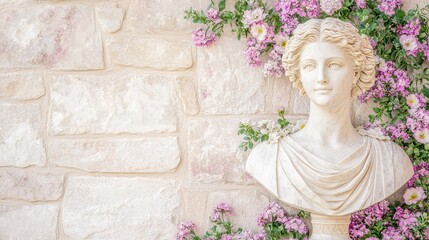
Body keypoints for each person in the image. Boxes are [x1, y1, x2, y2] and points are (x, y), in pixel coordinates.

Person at [245, 18, 414, 238]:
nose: (321, 78)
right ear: (299, 74)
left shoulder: (389, 159)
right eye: (310, 66)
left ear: (355, 73)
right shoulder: (269, 157)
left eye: (334, 65)